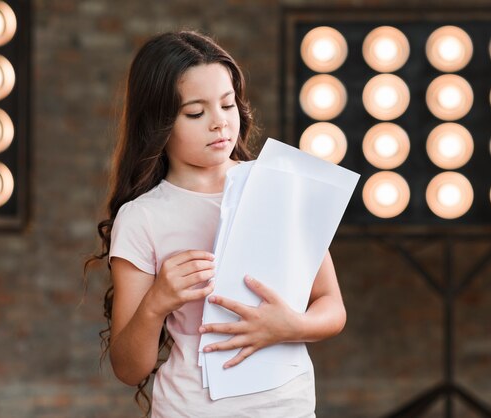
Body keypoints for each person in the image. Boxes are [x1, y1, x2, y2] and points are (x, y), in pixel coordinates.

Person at [86, 30, 346, 417]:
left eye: (227, 105)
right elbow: (129, 368)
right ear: (158, 122)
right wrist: (156, 302)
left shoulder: (277, 187)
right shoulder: (142, 217)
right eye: (195, 112)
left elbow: (332, 306)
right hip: (191, 407)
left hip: (286, 404)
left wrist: (289, 326)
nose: (219, 123)